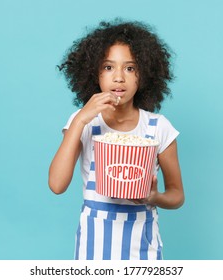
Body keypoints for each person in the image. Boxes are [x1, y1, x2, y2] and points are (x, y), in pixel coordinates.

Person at [49, 19, 184, 260]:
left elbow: (177, 195)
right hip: (93, 247)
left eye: (130, 68)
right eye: (109, 67)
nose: (119, 77)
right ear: (94, 72)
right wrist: (80, 120)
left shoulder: (158, 127)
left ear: (144, 74)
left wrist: (153, 197)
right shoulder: (83, 122)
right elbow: (57, 185)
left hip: (143, 249)